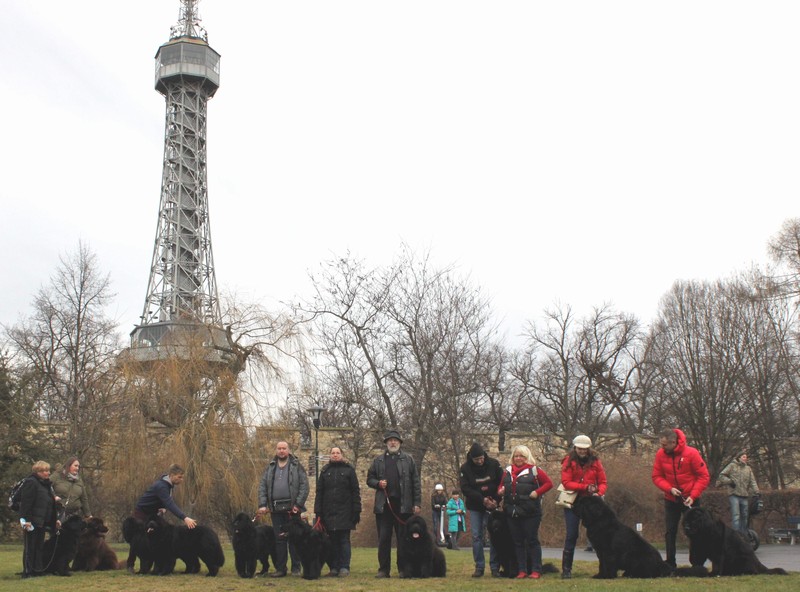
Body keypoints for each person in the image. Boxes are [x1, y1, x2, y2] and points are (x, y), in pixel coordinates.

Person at [366, 429, 421, 578]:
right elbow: (369, 479)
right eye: (389, 440)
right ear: (386, 443)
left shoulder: (409, 460)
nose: (392, 442)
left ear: (400, 443)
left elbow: (416, 483)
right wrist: (378, 483)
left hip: (404, 507)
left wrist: (417, 503)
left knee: (403, 539)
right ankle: (384, 570)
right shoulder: (378, 461)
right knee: (384, 539)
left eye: (395, 440)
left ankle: (403, 569)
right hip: (384, 507)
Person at [651, 428, 710, 568]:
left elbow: (703, 476)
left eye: (665, 445)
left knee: (695, 530)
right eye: (661, 444)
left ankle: (697, 563)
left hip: (690, 498)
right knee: (670, 531)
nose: (662, 447)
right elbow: (656, 476)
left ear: (673, 442)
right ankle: (670, 562)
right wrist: (669, 489)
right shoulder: (660, 454)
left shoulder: (692, 453)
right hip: (671, 498)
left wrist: (693, 495)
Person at [497, 445, 553, 579]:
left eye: (521, 456)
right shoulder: (508, 471)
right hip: (512, 511)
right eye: (516, 456)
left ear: (527, 457)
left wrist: (537, 492)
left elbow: (548, 484)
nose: (518, 458)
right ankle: (521, 570)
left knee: (532, 541)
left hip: (530, 512)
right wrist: (500, 491)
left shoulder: (534, 470)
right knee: (518, 542)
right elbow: (501, 486)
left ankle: (536, 570)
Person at [258, 440, 310, 577]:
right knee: (279, 539)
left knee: (295, 539)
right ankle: (281, 569)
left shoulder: (296, 465)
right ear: (276, 450)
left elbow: (304, 486)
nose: (281, 451)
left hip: (292, 510)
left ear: (288, 450)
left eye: (284, 448)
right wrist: (262, 505)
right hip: (275, 510)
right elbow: (263, 486)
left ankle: (296, 568)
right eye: (279, 448)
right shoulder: (270, 467)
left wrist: (298, 505)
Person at [559, 434, 607, 579]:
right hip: (573, 501)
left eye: (585, 449)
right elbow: (566, 482)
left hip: (591, 503)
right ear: (575, 448)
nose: (582, 451)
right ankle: (566, 569)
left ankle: (604, 568)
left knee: (598, 536)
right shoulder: (568, 461)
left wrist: (599, 493)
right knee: (572, 535)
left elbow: (603, 481)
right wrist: (585, 487)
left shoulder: (595, 462)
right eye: (580, 448)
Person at [314, 446, 361, 577]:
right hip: (328, 512)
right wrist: (318, 512)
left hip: (345, 512)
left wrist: (357, 510)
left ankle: (344, 567)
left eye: (338, 453)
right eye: (333, 453)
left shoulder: (349, 470)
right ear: (330, 455)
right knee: (331, 541)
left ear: (342, 455)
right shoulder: (324, 471)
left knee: (344, 540)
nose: (335, 455)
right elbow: (319, 493)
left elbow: (355, 491)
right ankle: (333, 567)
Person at [459, 441, 503, 577]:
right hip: (476, 506)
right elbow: (465, 488)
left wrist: (496, 500)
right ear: (472, 458)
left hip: (493, 505)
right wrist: (481, 499)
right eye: (477, 459)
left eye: (481, 458)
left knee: (494, 535)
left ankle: (495, 567)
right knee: (477, 536)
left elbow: (502, 483)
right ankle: (479, 566)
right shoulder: (465, 469)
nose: (480, 461)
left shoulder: (494, 464)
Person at [19, 461, 60, 579]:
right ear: (38, 472)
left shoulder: (46, 485)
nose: (48, 473)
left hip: (42, 521)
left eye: (48, 470)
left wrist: (55, 519)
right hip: (31, 521)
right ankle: (28, 571)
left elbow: (50, 504)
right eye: (44, 471)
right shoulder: (31, 483)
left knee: (39, 547)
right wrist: (26, 520)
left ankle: (38, 569)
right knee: (30, 547)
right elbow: (26, 504)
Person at [134, 464, 197, 528]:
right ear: (172, 475)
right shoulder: (162, 486)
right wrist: (185, 518)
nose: (181, 480)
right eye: (179, 477)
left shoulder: (168, 485)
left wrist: (162, 507)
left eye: (182, 477)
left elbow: (163, 499)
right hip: (142, 514)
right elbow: (169, 504)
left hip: (152, 515)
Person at [717, 452, 760, 533]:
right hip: (734, 495)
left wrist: (756, 492)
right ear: (739, 458)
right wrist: (729, 482)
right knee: (736, 516)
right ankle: (736, 534)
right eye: (744, 457)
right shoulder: (732, 466)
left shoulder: (748, 469)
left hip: (744, 495)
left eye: (746, 457)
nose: (745, 458)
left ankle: (744, 534)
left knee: (745, 516)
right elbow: (721, 476)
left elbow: (752, 481)